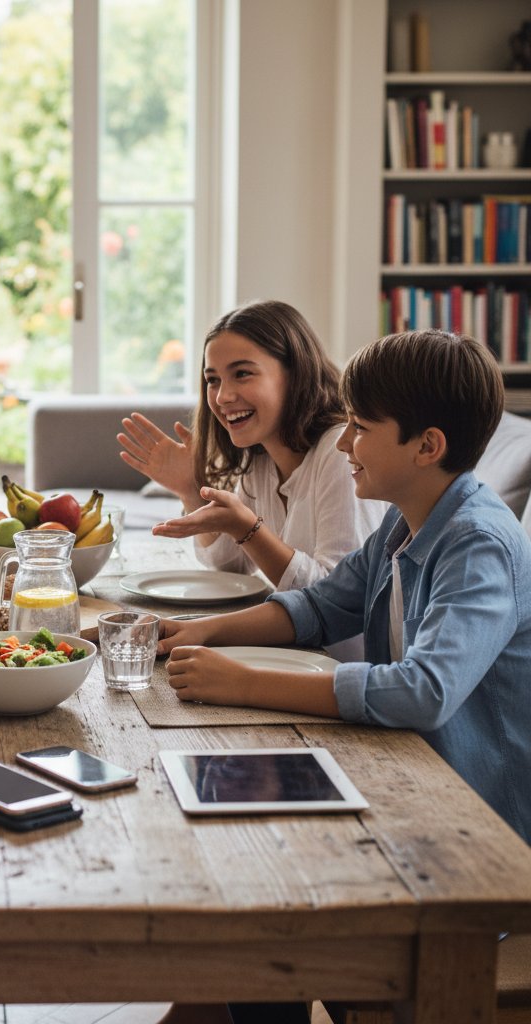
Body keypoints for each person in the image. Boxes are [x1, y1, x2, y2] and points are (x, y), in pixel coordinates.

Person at [156, 330, 531, 1024]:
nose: (346, 444)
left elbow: (423, 691)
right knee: (246, 876)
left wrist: (241, 681)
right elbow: (320, 605)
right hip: (413, 787)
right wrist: (196, 633)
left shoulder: (478, 542)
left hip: (478, 836)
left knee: (265, 917)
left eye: (360, 428)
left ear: (427, 446)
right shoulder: (404, 521)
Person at [118, 300, 385, 593]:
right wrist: (191, 490)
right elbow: (230, 565)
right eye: (213, 380)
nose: (222, 397)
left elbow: (338, 597)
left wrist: (248, 529)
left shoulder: (340, 452)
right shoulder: (261, 461)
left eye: (242, 373)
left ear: (295, 373)